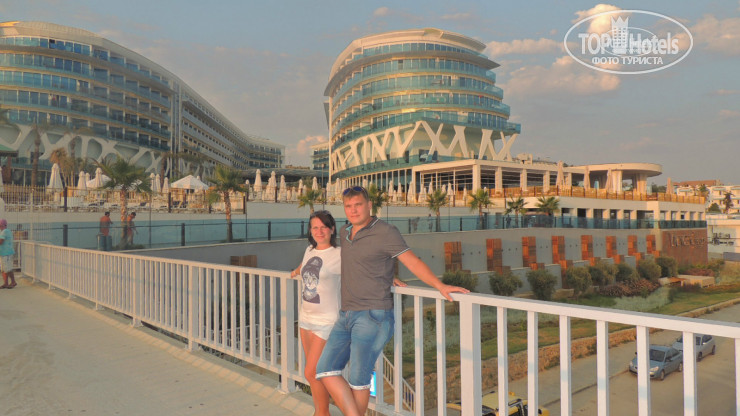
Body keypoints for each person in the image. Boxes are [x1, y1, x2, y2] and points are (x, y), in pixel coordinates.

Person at [315, 186, 470, 416]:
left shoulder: (386, 231)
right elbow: (358, 262)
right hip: (346, 314)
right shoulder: (346, 232)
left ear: (369, 205)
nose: (353, 210)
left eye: (358, 205)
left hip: (372, 315)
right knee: (325, 369)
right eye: (348, 206)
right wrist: (387, 275)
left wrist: (440, 285)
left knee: (358, 379)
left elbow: (412, 261)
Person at [289, 210, 342, 416]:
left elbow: (362, 270)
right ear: (310, 231)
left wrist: (389, 278)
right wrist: (295, 272)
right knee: (316, 374)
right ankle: (321, 412)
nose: (319, 231)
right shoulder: (309, 250)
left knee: (311, 372)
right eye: (315, 227)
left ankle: (323, 413)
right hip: (305, 318)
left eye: (324, 227)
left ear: (332, 229)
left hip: (326, 321)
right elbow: (306, 266)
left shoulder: (339, 254)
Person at [0, 219, 17, 289]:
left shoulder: (5, 231)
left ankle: (13, 282)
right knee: (3, 269)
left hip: (6, 253)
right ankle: (6, 283)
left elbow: (1, 241)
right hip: (4, 253)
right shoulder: (6, 231)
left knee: (8, 269)